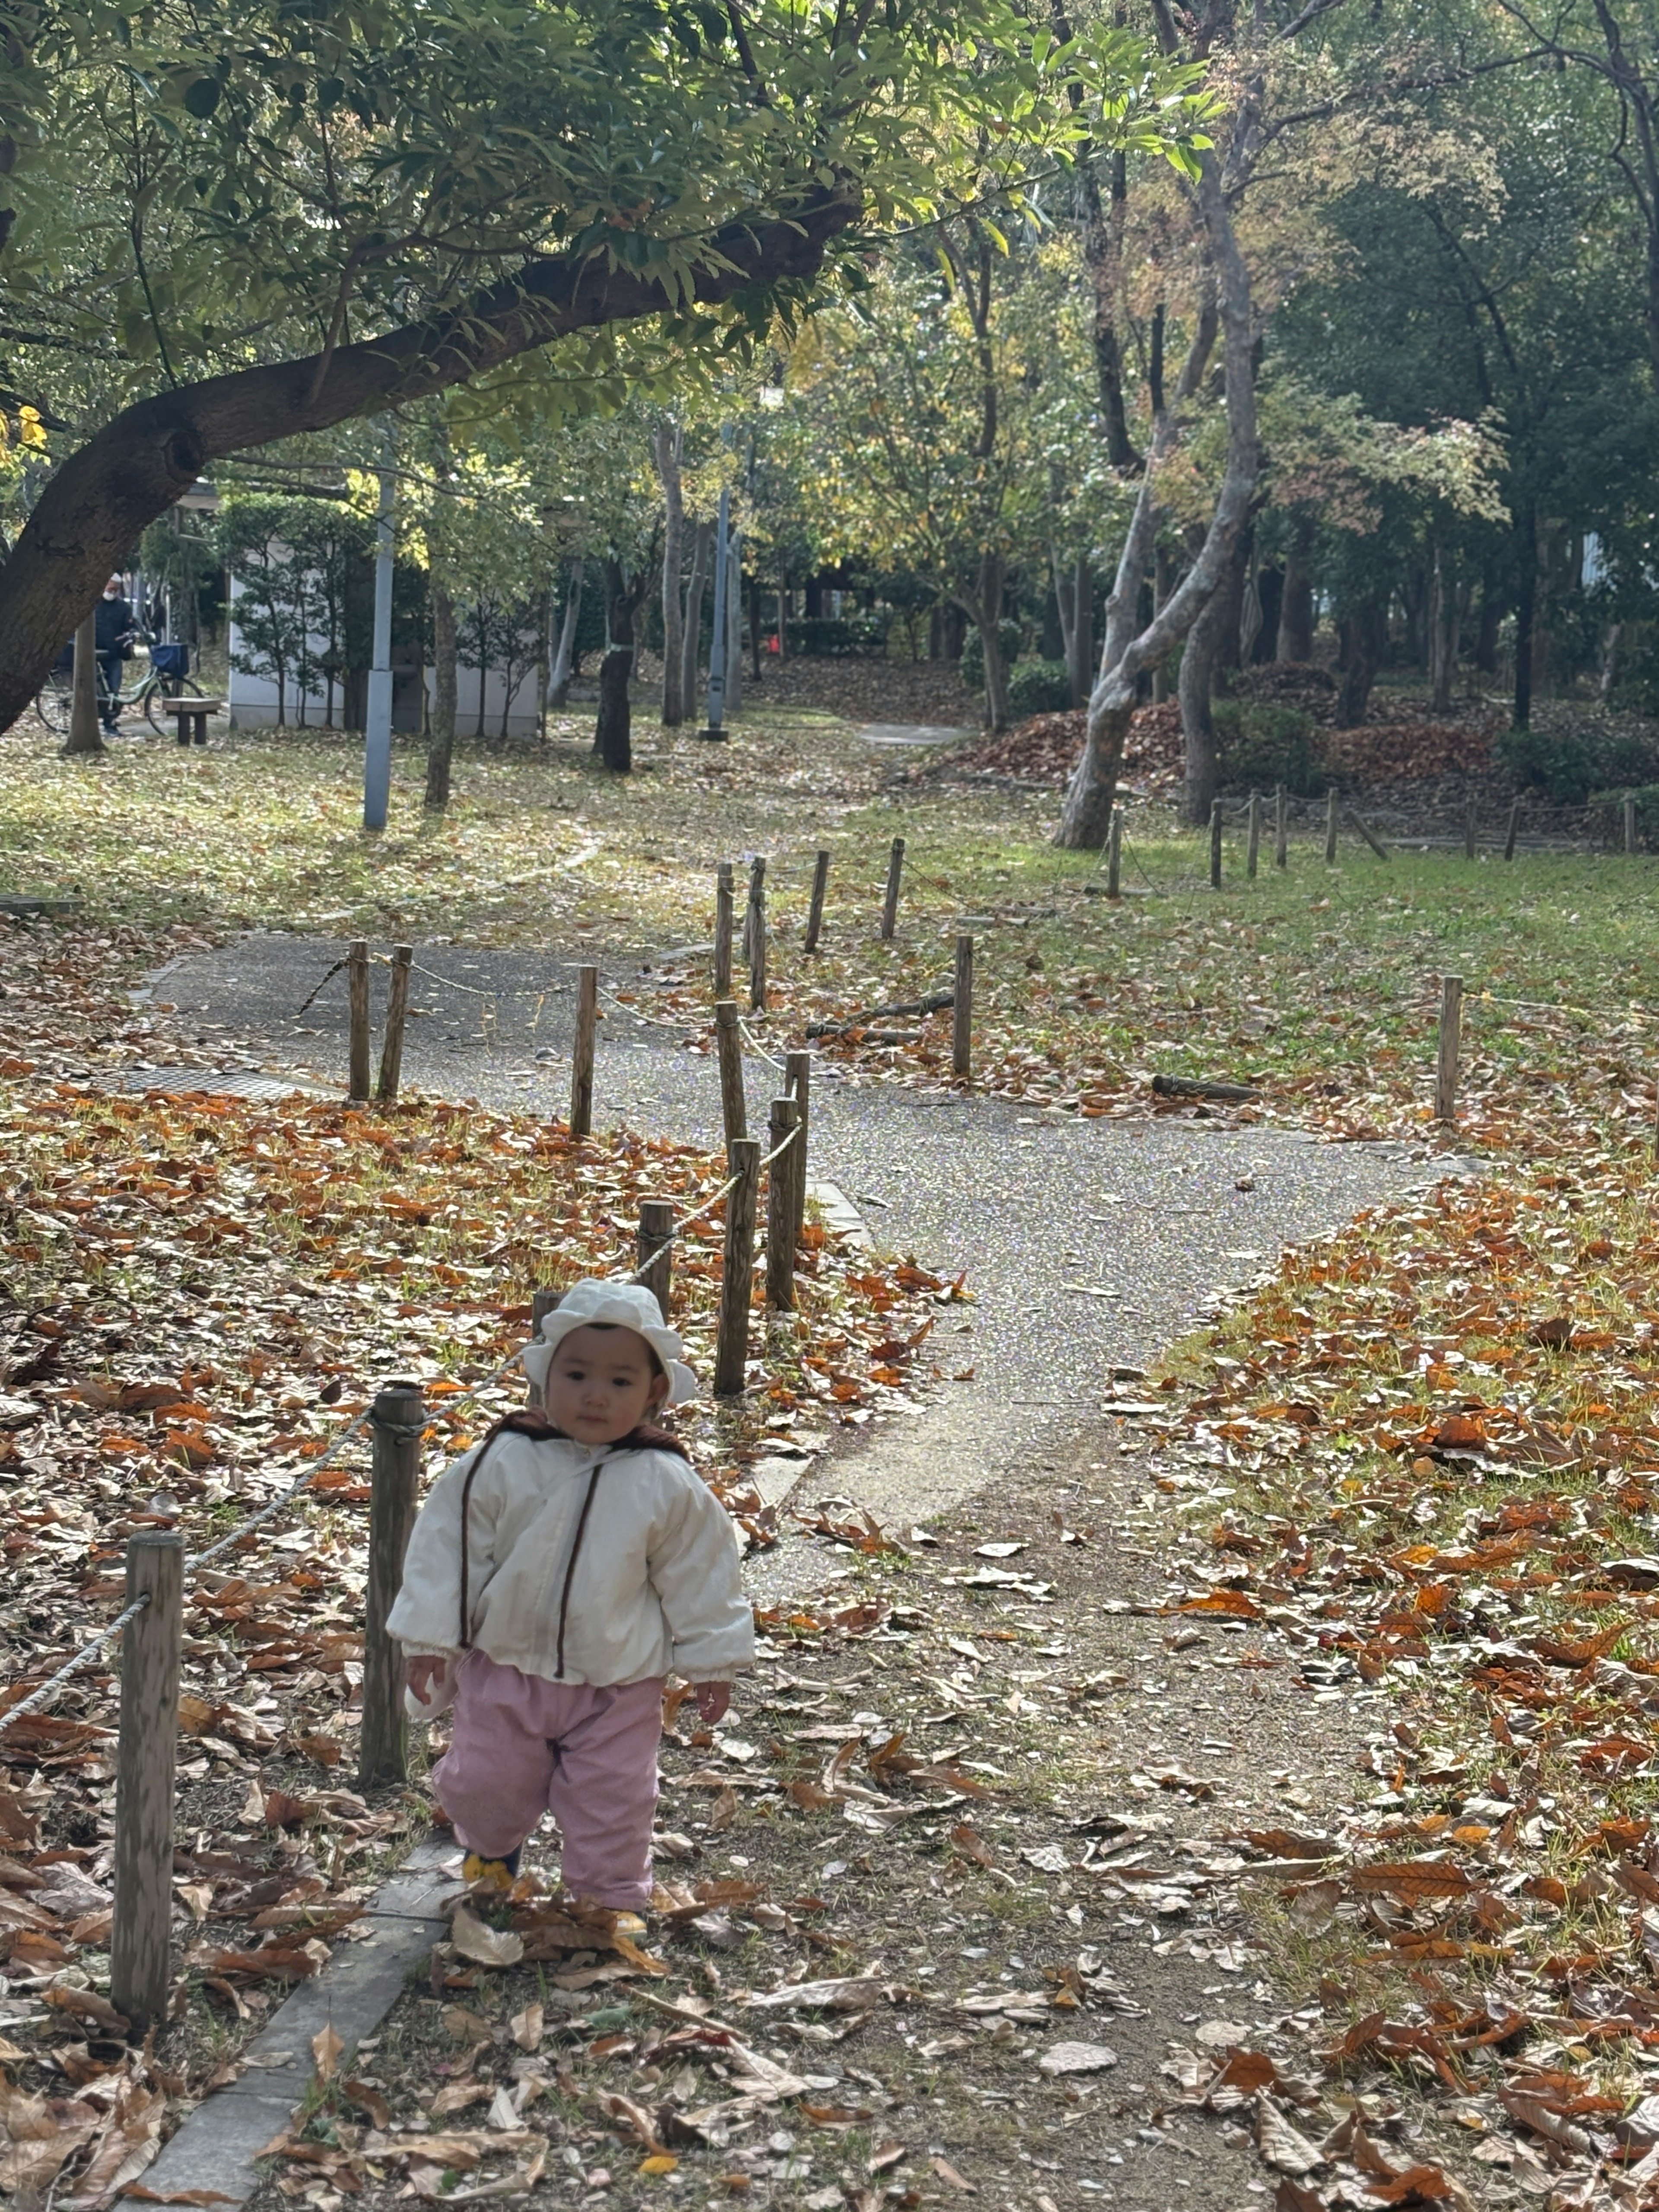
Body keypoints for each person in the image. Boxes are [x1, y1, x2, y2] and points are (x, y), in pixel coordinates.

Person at [387, 1280, 753, 1920]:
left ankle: (609, 1899)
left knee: (613, 1799)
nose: (594, 1395)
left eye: (619, 1382)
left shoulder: (667, 1482)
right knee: (486, 1783)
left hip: (618, 1682)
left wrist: (711, 1662)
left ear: (654, 1393)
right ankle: (491, 1851)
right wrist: (430, 1637)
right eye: (577, 1375)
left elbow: (701, 1574)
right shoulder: (502, 1460)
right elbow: (449, 1546)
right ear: (545, 1379)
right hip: (505, 1667)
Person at [94, 576, 136, 733]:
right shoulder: (93, 605)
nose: (112, 593)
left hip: (114, 653)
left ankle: (110, 721)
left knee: (114, 688)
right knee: (94, 687)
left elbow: (129, 627)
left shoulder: (124, 608)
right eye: (110, 589)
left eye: (115, 590)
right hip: (93, 651)